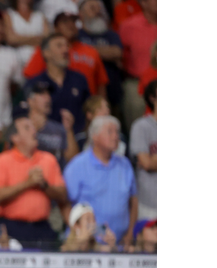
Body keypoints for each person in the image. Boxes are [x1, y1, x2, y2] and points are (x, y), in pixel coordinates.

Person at [0, 115, 67, 248]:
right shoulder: (2, 161)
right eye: (27, 128)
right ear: (15, 138)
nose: (34, 131)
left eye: (33, 127)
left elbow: (63, 195)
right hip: (13, 228)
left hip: (42, 227)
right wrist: (27, 183)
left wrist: (44, 185)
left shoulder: (48, 159)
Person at [63, 116, 137, 248]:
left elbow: (133, 201)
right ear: (95, 136)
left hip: (118, 245)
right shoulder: (77, 166)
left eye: (117, 132)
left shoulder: (125, 164)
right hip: (86, 246)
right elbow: (64, 204)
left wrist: (130, 233)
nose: (116, 137)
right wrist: (79, 234)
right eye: (110, 132)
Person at [23, 12, 107, 98]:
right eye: (65, 21)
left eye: (73, 21)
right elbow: (31, 79)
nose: (70, 25)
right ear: (56, 28)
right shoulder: (47, 50)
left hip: (87, 104)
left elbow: (101, 83)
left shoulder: (92, 51)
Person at [25, 33, 91, 134]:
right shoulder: (34, 83)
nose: (65, 50)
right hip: (46, 141)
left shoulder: (80, 79)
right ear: (46, 53)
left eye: (66, 46)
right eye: (59, 46)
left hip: (78, 139)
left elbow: (89, 111)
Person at [19, 81, 78, 168]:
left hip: (55, 177)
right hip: (29, 176)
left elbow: (73, 160)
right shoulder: (20, 127)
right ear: (30, 101)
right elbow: (15, 157)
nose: (48, 98)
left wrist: (69, 130)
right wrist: (34, 129)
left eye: (48, 94)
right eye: (42, 94)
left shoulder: (59, 128)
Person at [76, 0, 124, 109]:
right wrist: (105, 52)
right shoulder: (77, 35)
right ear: (81, 14)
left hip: (112, 88)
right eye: (92, 8)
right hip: (85, 89)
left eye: (99, 8)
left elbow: (117, 52)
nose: (98, 11)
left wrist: (85, 50)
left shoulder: (110, 34)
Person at [119, 0, 156, 131]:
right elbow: (120, 55)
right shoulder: (129, 26)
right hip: (137, 81)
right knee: (134, 103)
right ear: (144, 3)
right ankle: (137, 147)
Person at [129, 80, 156, 220]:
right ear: (153, 98)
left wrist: (153, 159)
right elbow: (146, 163)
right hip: (149, 205)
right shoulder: (141, 126)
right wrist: (149, 161)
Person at [3, 0, 49, 65]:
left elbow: (46, 40)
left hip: (39, 60)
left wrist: (19, 39)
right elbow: (10, 39)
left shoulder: (40, 15)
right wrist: (36, 39)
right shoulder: (9, 14)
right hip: (16, 60)